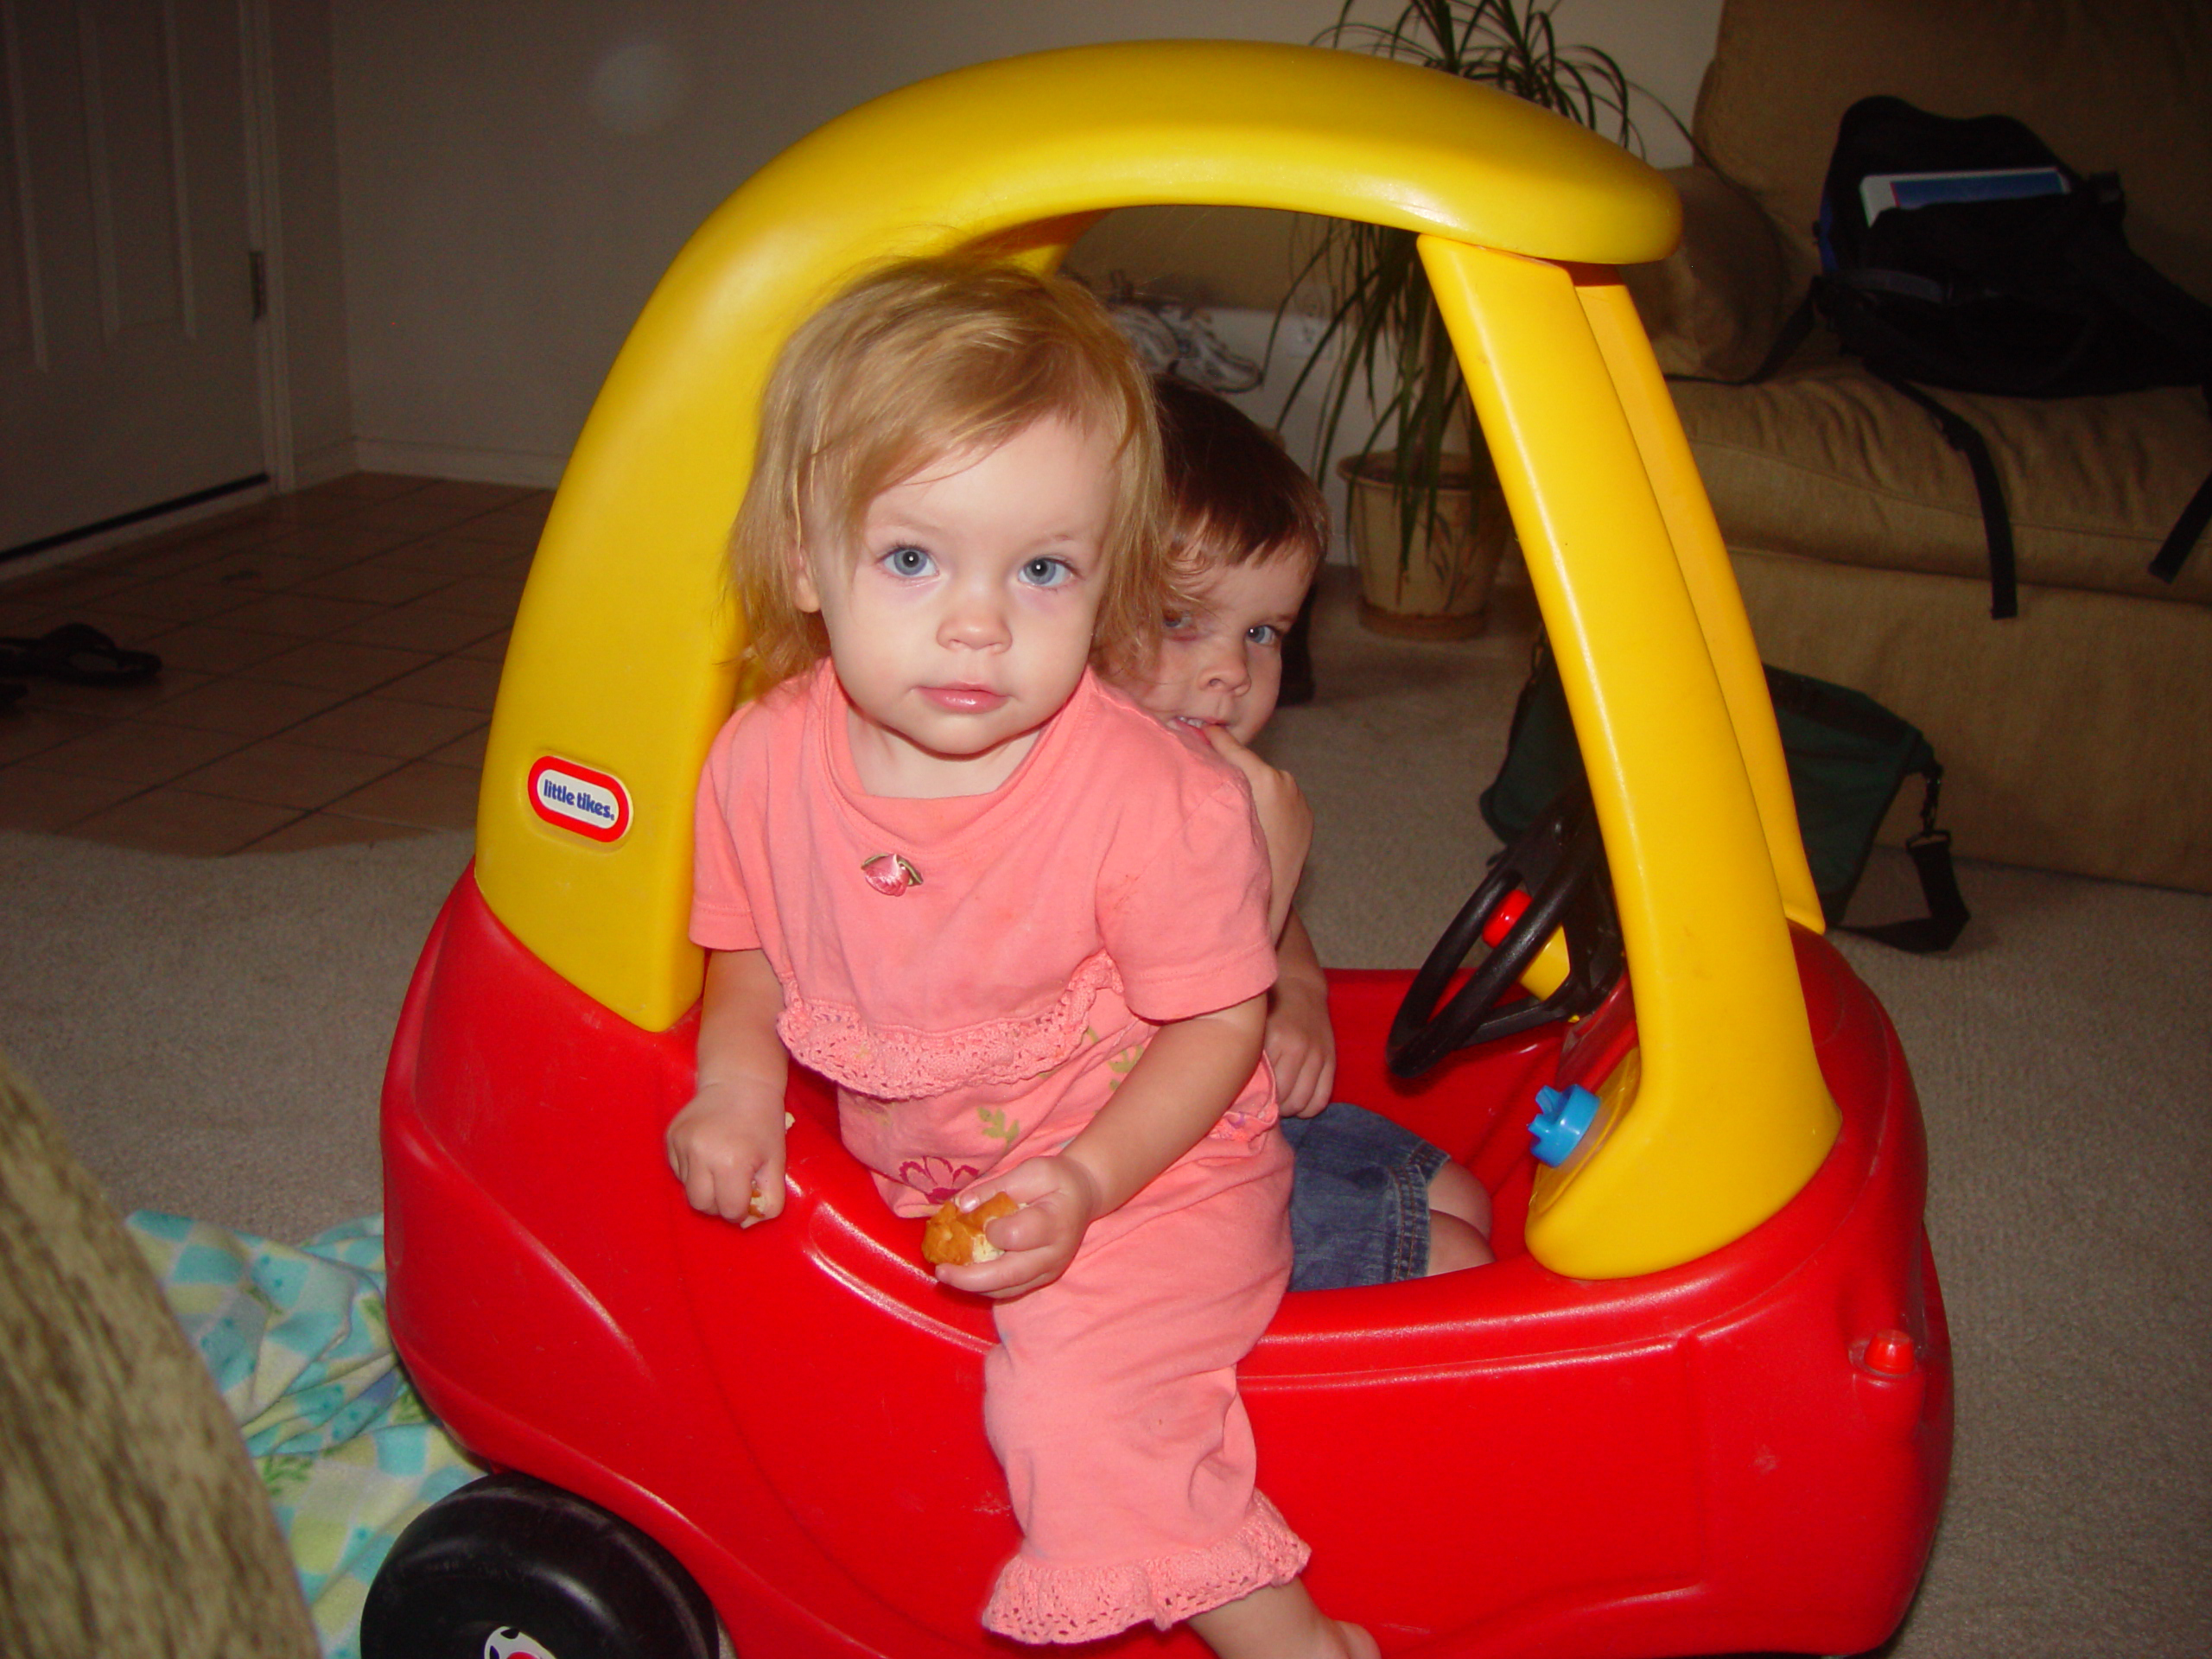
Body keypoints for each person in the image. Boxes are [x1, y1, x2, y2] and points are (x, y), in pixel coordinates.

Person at [666, 256, 1375, 1659]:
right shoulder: (757, 761)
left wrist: (1093, 1178)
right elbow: (748, 948)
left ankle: (1293, 1644)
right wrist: (733, 1084)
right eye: (914, 559)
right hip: (948, 1164)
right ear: (805, 558)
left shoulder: (1150, 796)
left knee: (1078, 1408)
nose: (979, 621)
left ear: (1103, 582)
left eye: (1042, 568)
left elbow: (1217, 1026)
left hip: (1157, 1168)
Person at [1117, 378, 1493, 1287]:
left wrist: (1300, 995)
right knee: (1453, 1260)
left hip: (1225, 1115)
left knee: (1464, 1196)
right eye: (1180, 622)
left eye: (1261, 631)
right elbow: (1123, 1038)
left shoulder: (1208, 779)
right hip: (1126, 1178)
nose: (1229, 674)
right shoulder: (1065, 808)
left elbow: (1280, 941)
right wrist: (1273, 874)